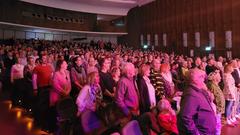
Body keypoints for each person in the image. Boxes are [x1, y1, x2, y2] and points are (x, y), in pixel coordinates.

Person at [177, 68, 216, 135]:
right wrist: (196, 133)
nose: (204, 79)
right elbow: (186, 118)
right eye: (201, 77)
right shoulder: (191, 95)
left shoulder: (198, 90)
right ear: (194, 80)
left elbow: (209, 100)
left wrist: (206, 90)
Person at [32, 55, 53, 131]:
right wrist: (35, 89)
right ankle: (41, 122)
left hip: (49, 88)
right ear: (41, 59)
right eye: (43, 58)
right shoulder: (37, 68)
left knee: (48, 106)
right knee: (42, 106)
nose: (45, 59)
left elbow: (51, 76)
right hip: (41, 88)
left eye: (46, 58)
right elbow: (34, 79)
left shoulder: (49, 67)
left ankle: (47, 122)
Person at [207, 70, 225, 135]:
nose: (220, 77)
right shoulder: (211, 85)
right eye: (219, 76)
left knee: (218, 124)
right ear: (215, 78)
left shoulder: (216, 85)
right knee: (216, 124)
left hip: (218, 109)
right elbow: (210, 98)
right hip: (215, 109)